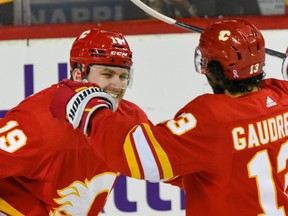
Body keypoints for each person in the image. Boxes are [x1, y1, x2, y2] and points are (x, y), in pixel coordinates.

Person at [51, 18, 288, 215]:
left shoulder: (212, 117)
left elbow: (139, 156)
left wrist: (92, 112)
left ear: (210, 68)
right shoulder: (281, 97)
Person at [0, 28, 150, 215]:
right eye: (107, 74)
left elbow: (168, 165)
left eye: (123, 76)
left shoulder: (131, 118)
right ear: (79, 75)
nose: (118, 86)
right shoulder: (37, 119)